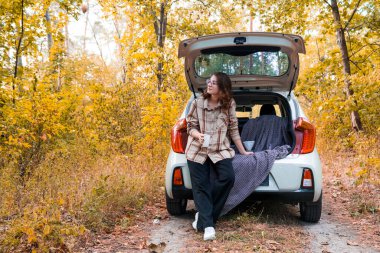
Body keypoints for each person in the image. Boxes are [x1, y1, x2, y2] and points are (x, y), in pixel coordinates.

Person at [185, 72, 253, 241]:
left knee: (228, 178)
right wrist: (197, 135)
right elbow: (190, 126)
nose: (209, 84)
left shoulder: (229, 104)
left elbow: (233, 129)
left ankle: (202, 216)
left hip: (219, 149)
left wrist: (243, 151)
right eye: (210, 81)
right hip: (197, 149)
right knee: (201, 186)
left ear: (222, 89)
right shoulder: (198, 102)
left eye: (214, 83)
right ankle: (208, 226)